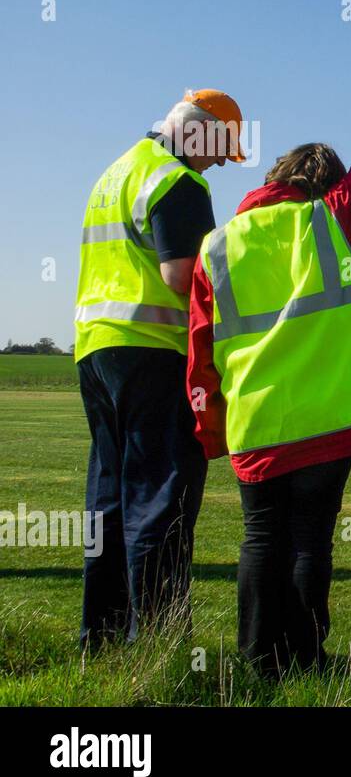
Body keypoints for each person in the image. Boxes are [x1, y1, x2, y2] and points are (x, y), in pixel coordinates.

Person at [187, 62, 351, 675]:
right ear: (326, 185)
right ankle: (307, 657)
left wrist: (208, 428)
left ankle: (258, 661)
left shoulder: (217, 244)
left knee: (261, 539)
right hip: (328, 417)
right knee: (311, 539)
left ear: (274, 177)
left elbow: (200, 348)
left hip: (258, 419)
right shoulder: (333, 221)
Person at [74, 88, 245, 646]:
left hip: (96, 350)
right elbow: (183, 277)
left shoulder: (117, 172)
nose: (221, 162)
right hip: (154, 352)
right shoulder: (179, 181)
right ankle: (158, 645)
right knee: (159, 498)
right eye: (223, 148)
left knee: (110, 499)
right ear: (201, 131)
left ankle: (99, 639)